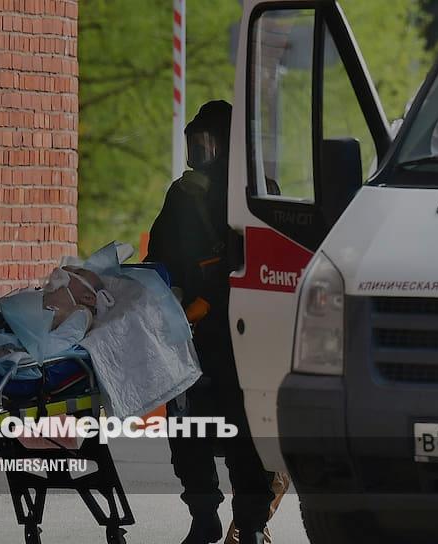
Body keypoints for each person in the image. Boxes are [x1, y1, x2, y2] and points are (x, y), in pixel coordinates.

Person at [146, 101, 276, 544]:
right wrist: (167, 296)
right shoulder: (181, 195)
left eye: (209, 144)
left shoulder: (259, 194)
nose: (200, 154)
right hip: (190, 336)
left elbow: (263, 261)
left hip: (241, 337)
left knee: (244, 435)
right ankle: (204, 518)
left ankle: (251, 525)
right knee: (187, 429)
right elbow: (158, 257)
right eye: (195, 144)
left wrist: (210, 298)